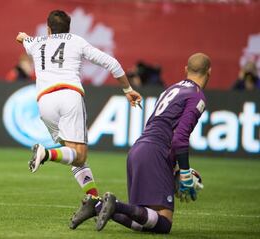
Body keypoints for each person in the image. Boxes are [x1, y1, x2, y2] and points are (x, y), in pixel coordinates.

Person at [70, 53, 211, 234]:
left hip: (139, 149)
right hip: (156, 153)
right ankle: (115, 204)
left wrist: (173, 167)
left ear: (186, 70)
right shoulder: (197, 96)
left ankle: (96, 205)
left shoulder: (171, 89)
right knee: (163, 224)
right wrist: (184, 172)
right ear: (209, 72)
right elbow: (180, 138)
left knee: (145, 220)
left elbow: (161, 127)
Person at [15, 10, 142, 198]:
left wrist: (24, 37)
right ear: (68, 28)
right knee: (79, 155)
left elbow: (22, 38)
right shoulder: (76, 41)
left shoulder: (36, 43)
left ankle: (94, 199)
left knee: (72, 155)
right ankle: (46, 153)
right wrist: (127, 89)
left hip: (44, 103)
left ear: (48, 29)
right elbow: (112, 64)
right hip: (69, 96)